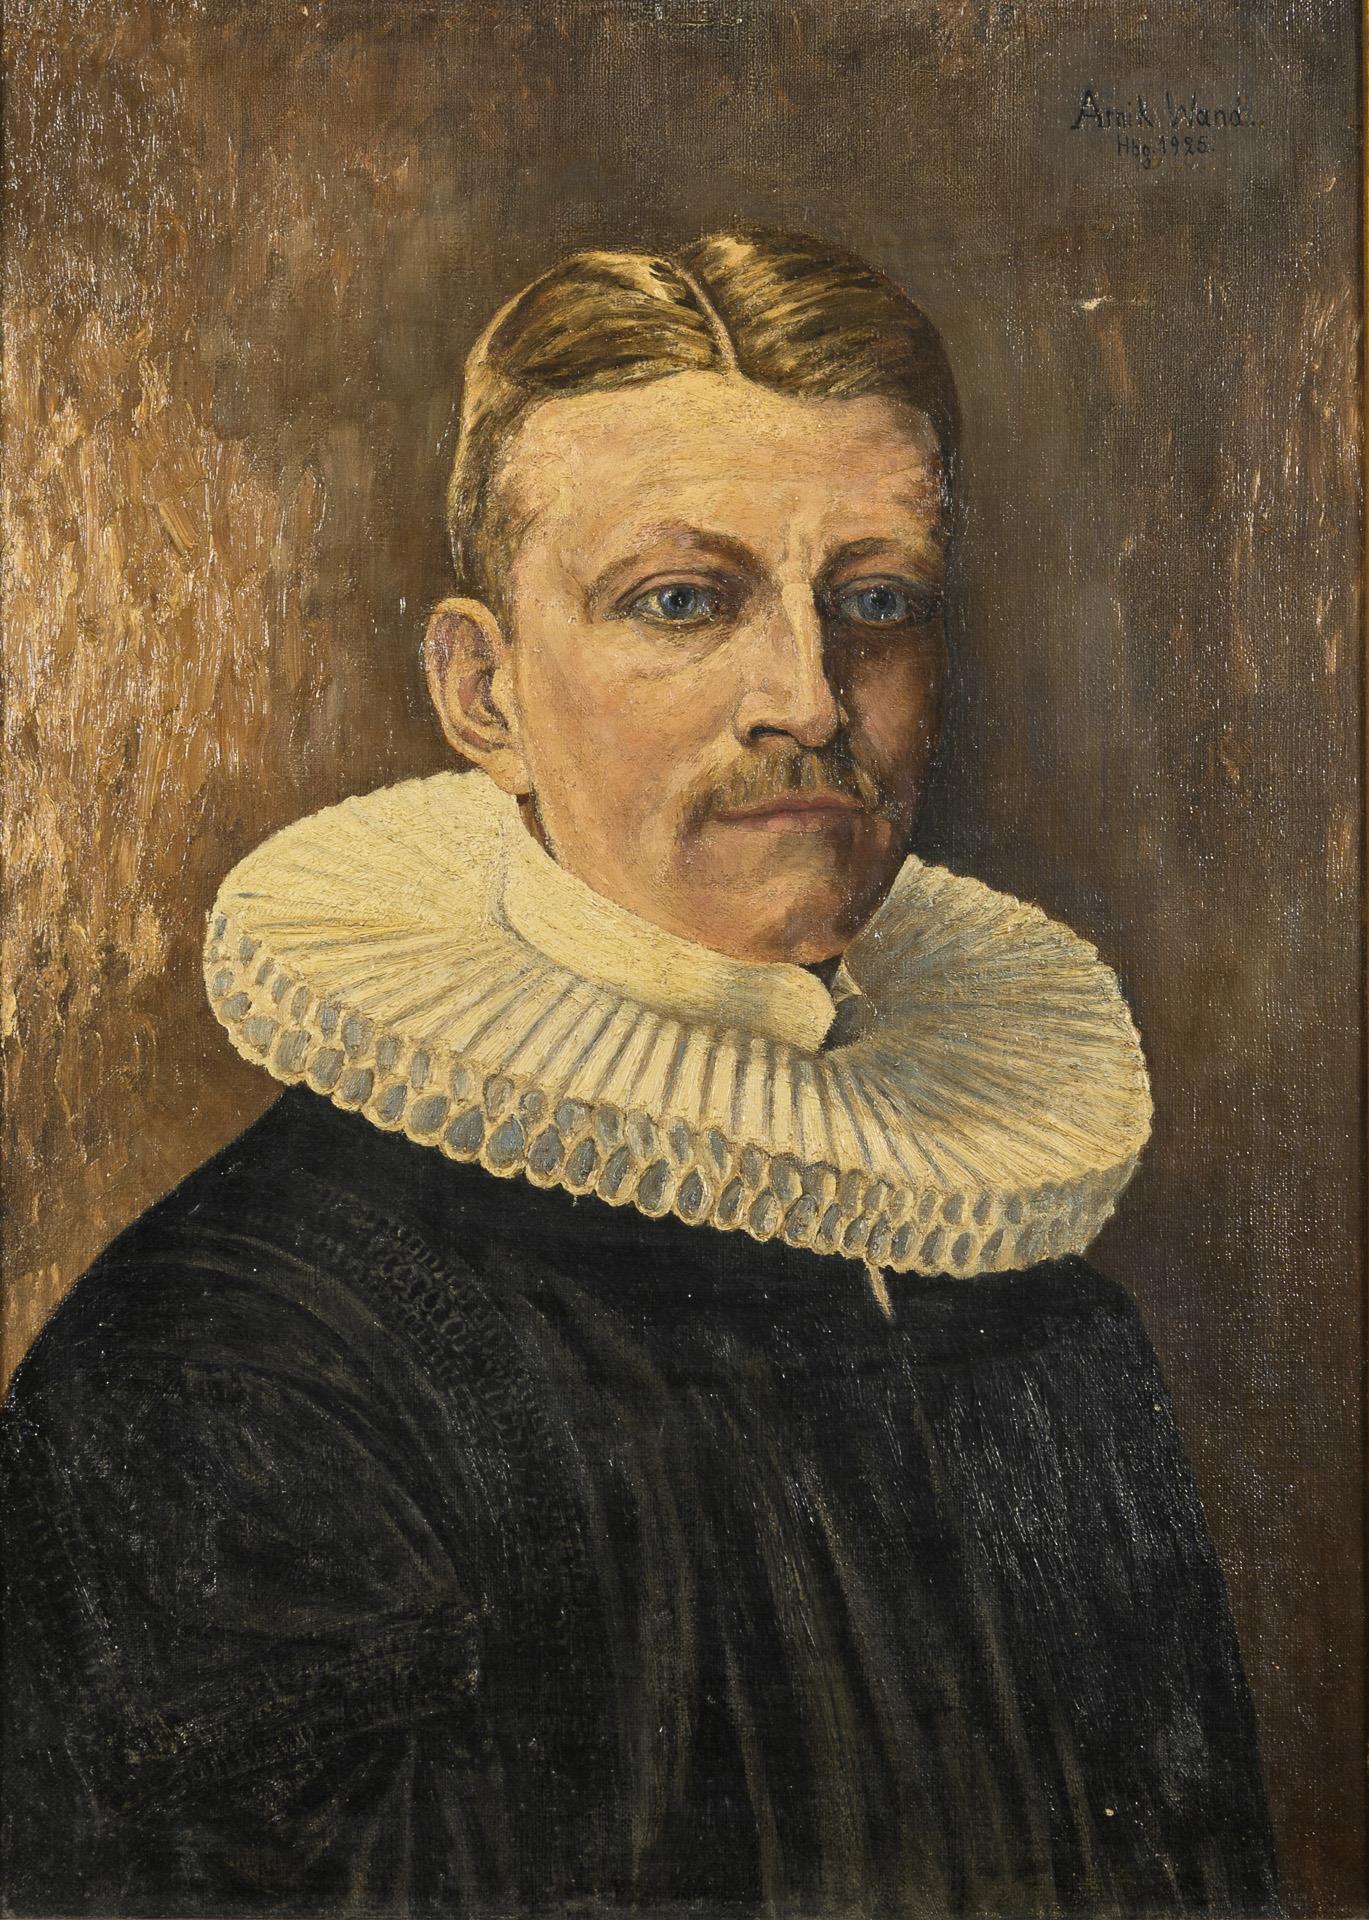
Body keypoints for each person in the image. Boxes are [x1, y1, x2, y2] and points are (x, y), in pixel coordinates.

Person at [2, 231, 1277, 1917]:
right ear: (483, 694)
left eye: (874, 604)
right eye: (683, 602)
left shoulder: (1046, 1315)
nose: (808, 699)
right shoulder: (236, 1359)